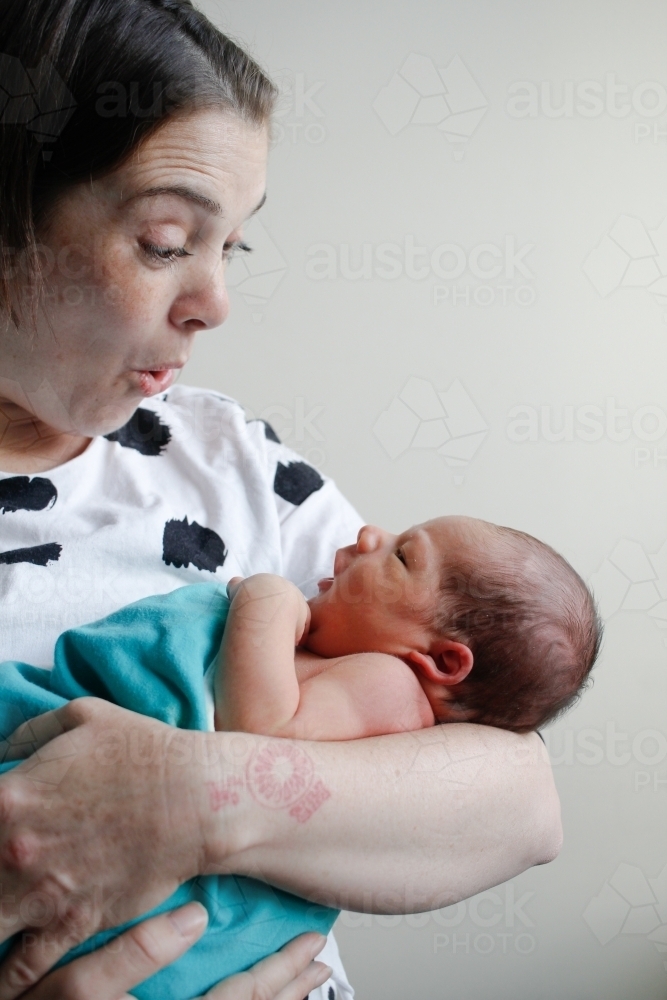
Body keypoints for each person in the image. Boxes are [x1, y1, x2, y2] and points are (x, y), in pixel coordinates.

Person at [0, 1, 563, 998]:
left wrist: (183, 796)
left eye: (235, 248)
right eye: (168, 241)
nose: (215, 300)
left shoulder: (231, 461)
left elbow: (516, 802)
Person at [0, 512, 596, 997]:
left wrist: (266, 603)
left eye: (403, 557)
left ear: (442, 662)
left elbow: (263, 735)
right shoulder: (350, 654)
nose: (369, 534)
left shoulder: (387, 687)